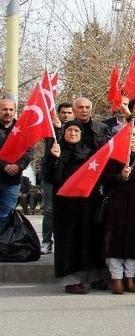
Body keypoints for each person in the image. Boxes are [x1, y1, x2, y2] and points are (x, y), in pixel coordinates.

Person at [46, 122, 104, 294]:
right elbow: (52, 178)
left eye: (76, 130)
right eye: (69, 130)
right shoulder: (57, 151)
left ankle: (92, 277)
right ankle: (71, 280)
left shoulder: (89, 152)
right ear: (63, 133)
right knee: (69, 241)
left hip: (87, 204)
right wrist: (54, 159)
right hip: (65, 206)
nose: (73, 133)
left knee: (88, 238)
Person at [100, 126, 135, 295]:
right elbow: (105, 179)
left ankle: (130, 276)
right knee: (116, 240)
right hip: (117, 204)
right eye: (128, 135)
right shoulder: (114, 157)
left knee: (132, 240)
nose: (132, 138)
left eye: (134, 135)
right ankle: (117, 278)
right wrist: (120, 177)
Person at [39, 102, 75, 254]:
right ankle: (47, 241)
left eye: (69, 112)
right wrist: (57, 129)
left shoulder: (76, 130)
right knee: (49, 210)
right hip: (50, 175)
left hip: (69, 176)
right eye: (63, 112)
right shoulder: (51, 130)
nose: (66, 115)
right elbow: (52, 146)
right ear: (58, 114)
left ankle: (67, 242)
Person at [0, 98, 33, 228]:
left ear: (15, 111)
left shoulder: (23, 129)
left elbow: (29, 151)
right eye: (4, 109)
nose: (8, 112)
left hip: (12, 182)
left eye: (11, 109)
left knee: (6, 216)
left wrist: (19, 166)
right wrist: (4, 166)